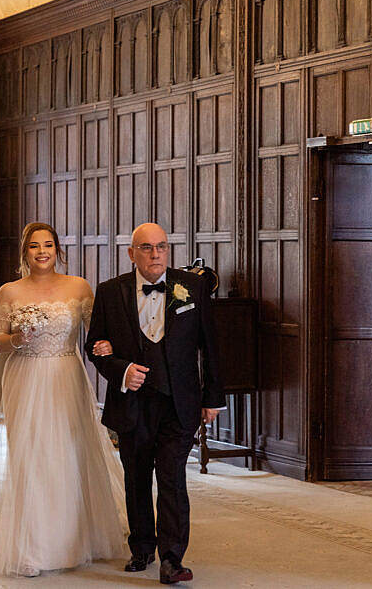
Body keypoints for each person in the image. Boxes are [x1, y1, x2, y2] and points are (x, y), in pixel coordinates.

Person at [84, 222, 224, 585]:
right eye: (146, 247)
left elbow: (209, 346)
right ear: (132, 254)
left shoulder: (191, 286)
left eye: (161, 246)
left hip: (180, 402)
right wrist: (121, 369)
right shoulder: (110, 292)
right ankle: (142, 546)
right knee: (137, 477)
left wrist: (213, 398)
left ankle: (172, 559)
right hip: (131, 403)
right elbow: (95, 345)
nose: (155, 253)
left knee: (172, 477)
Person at [0, 222, 127, 577]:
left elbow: (99, 331)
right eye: (34, 246)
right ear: (25, 252)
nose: (42, 252)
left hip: (66, 375)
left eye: (48, 245)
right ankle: (33, 547)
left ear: (57, 249)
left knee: (69, 453)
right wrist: (17, 339)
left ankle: (73, 541)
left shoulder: (78, 286)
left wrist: (109, 346)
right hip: (25, 376)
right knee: (30, 456)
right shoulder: (9, 292)